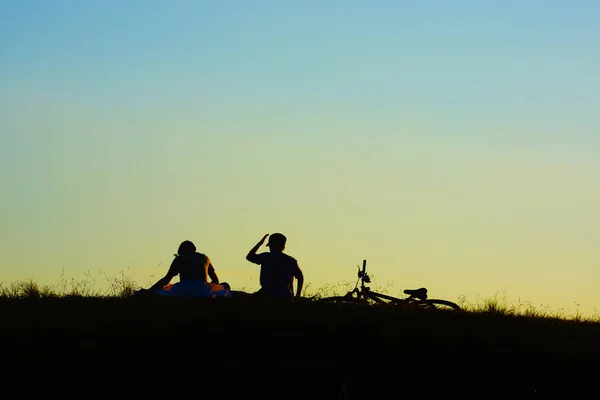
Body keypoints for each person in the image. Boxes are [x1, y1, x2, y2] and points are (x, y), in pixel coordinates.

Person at [143, 240, 230, 296]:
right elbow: (216, 281)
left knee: (160, 292)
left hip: (183, 288)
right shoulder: (204, 258)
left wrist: (149, 291)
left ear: (182, 251)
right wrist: (210, 291)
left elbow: (166, 279)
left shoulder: (180, 258)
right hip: (203, 289)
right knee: (224, 285)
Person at [246, 233, 304, 298]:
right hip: (285, 295)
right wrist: (298, 294)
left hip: (267, 294)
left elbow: (249, 257)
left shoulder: (266, 257)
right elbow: (300, 277)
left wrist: (260, 243)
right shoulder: (290, 260)